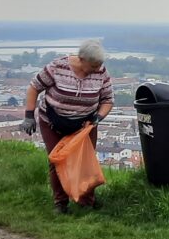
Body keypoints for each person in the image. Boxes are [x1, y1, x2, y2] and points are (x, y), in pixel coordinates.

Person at [20, 40, 113, 214]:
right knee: (57, 161)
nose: (96, 69)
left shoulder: (101, 72)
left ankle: (86, 202)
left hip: (84, 125)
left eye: (99, 65)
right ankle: (60, 203)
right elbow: (34, 88)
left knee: (86, 163)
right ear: (81, 59)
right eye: (93, 65)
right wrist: (28, 116)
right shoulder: (58, 66)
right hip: (52, 122)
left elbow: (108, 100)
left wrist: (97, 118)